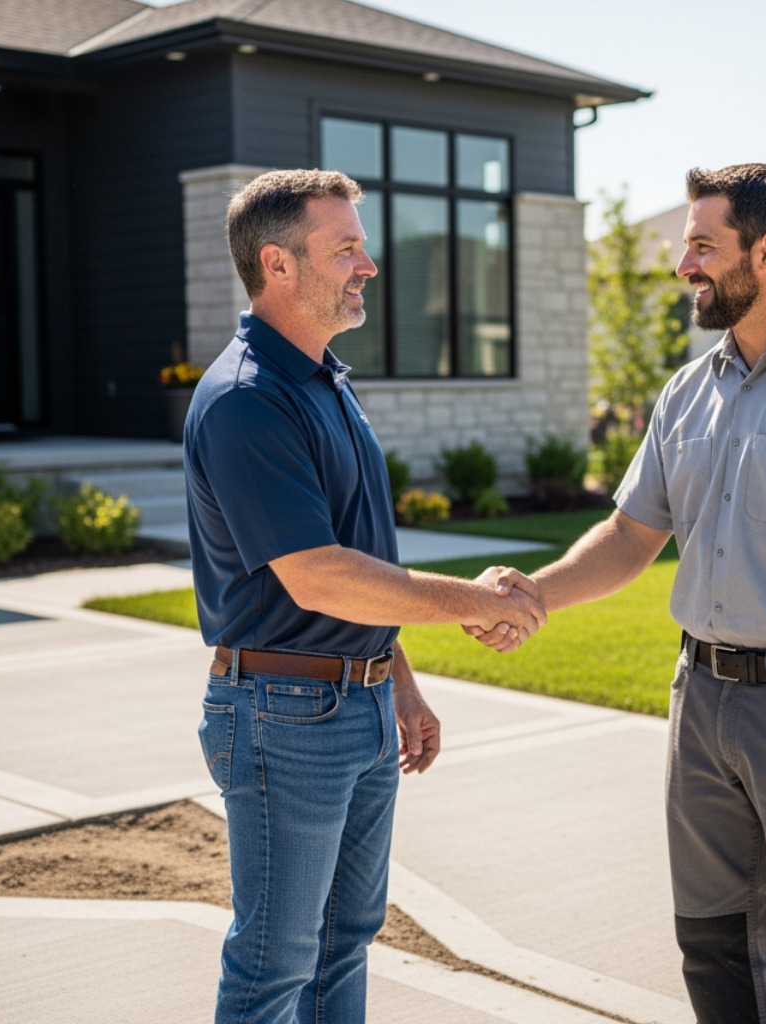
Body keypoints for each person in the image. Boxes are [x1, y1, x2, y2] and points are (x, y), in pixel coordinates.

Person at [475, 164, 766, 1024]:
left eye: (702, 245)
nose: (682, 265)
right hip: (701, 701)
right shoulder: (686, 393)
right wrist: (529, 594)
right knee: (714, 947)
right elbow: (630, 538)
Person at [184, 168, 545, 1024]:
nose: (369, 265)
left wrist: (400, 684)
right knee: (275, 963)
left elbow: (360, 558)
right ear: (277, 263)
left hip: (355, 706)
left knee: (345, 940)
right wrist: (477, 600)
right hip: (281, 715)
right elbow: (318, 574)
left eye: (364, 245)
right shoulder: (247, 401)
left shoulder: (325, 382)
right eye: (345, 248)